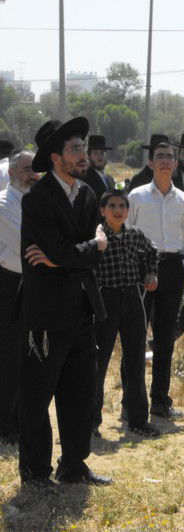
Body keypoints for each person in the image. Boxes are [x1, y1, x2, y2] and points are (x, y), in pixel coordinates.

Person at [18, 117, 112, 487]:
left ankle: (73, 466)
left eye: (83, 148)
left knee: (79, 394)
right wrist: (90, 247)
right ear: (55, 157)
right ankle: (36, 471)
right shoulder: (37, 199)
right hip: (44, 314)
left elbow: (80, 255)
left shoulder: (88, 194)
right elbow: (71, 250)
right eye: (75, 149)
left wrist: (70, 256)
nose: (83, 155)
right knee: (37, 396)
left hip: (81, 310)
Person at [128, 139, 184, 419]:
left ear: (176, 163)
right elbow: (127, 234)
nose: (166, 160)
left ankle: (160, 401)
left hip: (172, 267)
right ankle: (131, 404)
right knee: (135, 337)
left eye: (170, 156)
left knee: (166, 337)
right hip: (141, 267)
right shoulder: (138, 196)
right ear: (151, 163)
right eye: (160, 156)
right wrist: (133, 269)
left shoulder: (183, 199)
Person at [93, 190, 161, 438]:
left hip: (132, 298)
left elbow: (153, 251)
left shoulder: (134, 235)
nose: (118, 210)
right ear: (103, 210)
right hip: (105, 299)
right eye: (112, 205)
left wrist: (151, 273)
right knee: (98, 364)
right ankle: (91, 422)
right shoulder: (97, 237)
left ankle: (138, 420)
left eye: (122, 205)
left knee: (135, 360)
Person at [0, 151, 39, 445]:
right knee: (9, 356)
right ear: (12, 173)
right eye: (27, 169)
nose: (33, 174)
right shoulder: (3, 204)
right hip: (9, 284)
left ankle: (18, 417)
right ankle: (6, 424)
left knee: (27, 355)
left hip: (32, 282)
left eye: (35, 169)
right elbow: (25, 244)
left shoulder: (33, 202)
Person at [83, 134, 116, 201]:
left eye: (102, 153)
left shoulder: (110, 179)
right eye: (95, 153)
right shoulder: (85, 179)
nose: (99, 157)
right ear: (89, 156)